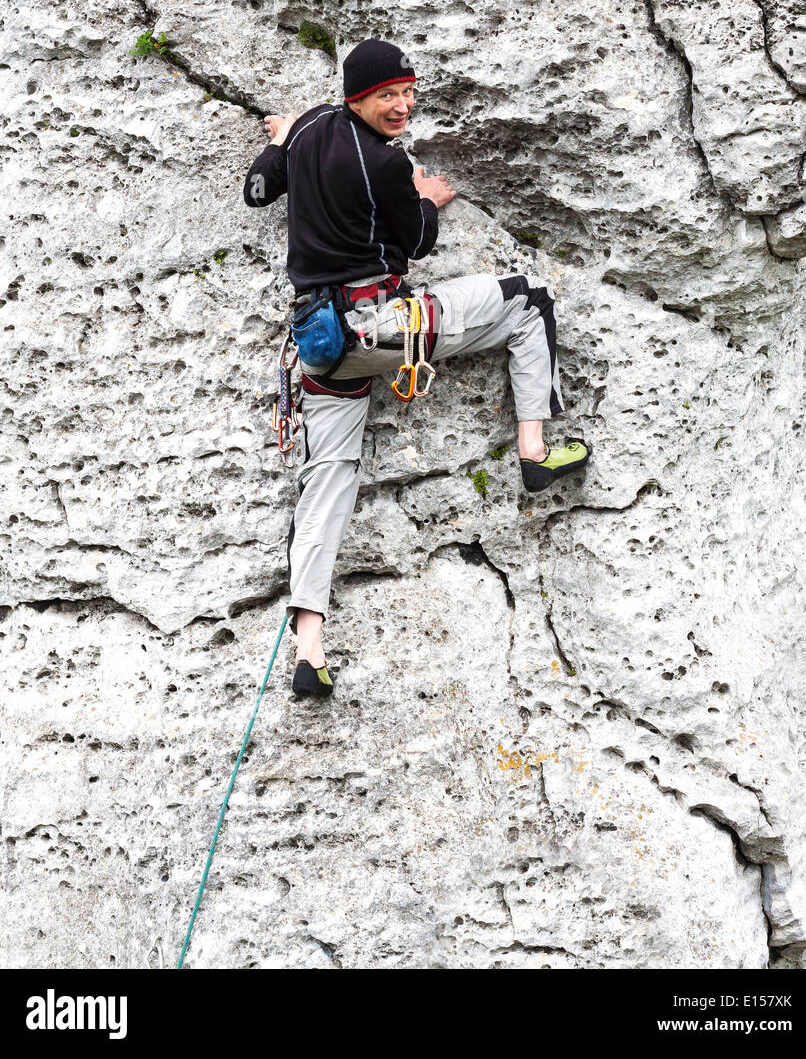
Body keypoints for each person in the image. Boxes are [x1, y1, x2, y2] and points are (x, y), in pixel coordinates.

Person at [243, 38, 590, 697]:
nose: (401, 106)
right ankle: (536, 451)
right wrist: (425, 196)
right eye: (387, 97)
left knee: (328, 481)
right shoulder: (384, 165)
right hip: (383, 327)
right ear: (358, 98)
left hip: (320, 344)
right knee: (529, 301)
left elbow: (259, 189)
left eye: (407, 92)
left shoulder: (311, 126)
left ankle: (309, 650)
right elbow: (419, 244)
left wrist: (282, 139)